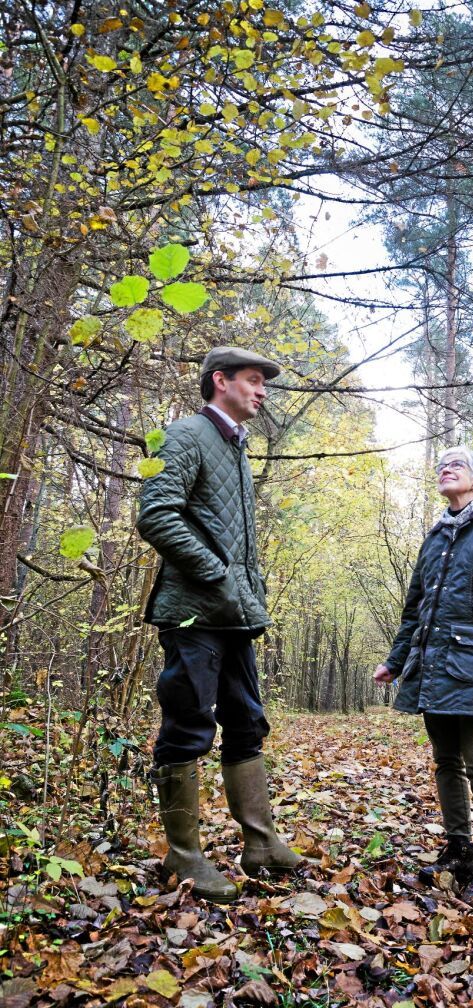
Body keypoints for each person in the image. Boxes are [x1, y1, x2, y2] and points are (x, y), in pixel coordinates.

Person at [137, 346, 302, 903]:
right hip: (194, 612)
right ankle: (184, 856)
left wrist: (245, 593)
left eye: (264, 383)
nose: (262, 391)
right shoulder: (185, 434)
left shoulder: (236, 446)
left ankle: (261, 844)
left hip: (234, 614)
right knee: (189, 726)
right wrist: (216, 575)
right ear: (220, 381)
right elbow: (156, 514)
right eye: (253, 380)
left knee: (247, 722)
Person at [373, 447, 473, 905]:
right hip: (432, 666)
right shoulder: (435, 537)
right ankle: (458, 851)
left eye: (456, 465)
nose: (445, 469)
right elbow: (415, 608)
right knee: (446, 761)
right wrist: (396, 660)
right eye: (441, 465)